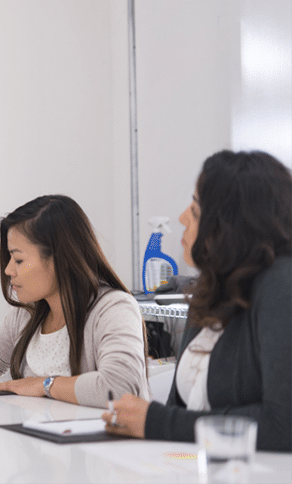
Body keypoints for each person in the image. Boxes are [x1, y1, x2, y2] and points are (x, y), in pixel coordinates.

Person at [105, 150, 291, 451]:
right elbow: (179, 411)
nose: (182, 218)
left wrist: (155, 422)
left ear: (229, 224)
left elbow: (284, 424)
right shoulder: (209, 291)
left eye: (194, 210)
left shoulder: (281, 285)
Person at [0, 195, 149, 408]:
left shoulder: (114, 309)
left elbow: (118, 388)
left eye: (18, 260)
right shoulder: (29, 312)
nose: (8, 270)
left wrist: (45, 385)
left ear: (60, 259)